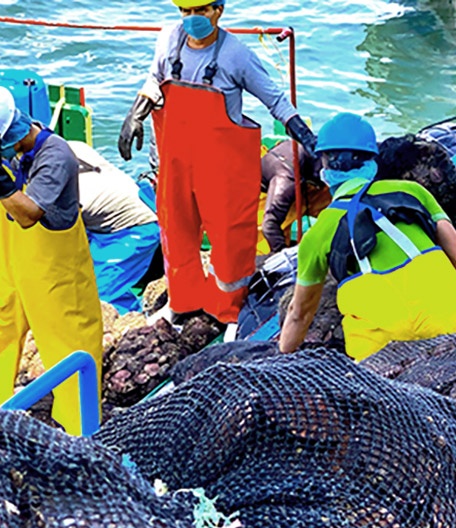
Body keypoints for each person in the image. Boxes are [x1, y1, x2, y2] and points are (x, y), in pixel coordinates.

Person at [118, 0, 318, 324]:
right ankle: (183, 303)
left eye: (201, 11)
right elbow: (154, 80)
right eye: (186, 12)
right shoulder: (168, 39)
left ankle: (227, 312)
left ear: (218, 10)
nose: (192, 19)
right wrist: (135, 115)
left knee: (230, 240)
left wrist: (307, 137)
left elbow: (275, 99)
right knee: (175, 230)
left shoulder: (235, 55)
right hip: (176, 162)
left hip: (222, 170)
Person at [0, 86, 103, 436]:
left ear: (8, 135)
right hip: (7, 252)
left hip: (53, 262)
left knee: (69, 339)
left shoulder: (56, 156)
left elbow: (28, 214)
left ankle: (80, 429)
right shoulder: (8, 142)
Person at [279, 112, 456, 361]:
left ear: (325, 165)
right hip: (451, 328)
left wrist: (282, 355)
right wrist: (453, 305)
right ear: (372, 160)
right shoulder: (413, 191)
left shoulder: (317, 235)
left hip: (380, 351)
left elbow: (300, 313)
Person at [68, 140, 163, 313]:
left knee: (101, 295)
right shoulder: (73, 146)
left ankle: (129, 319)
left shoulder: (64, 195)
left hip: (135, 228)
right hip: (142, 200)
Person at [260, 139, 330, 253]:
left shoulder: (319, 146)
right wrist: (285, 258)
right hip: (266, 196)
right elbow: (269, 225)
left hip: (305, 183)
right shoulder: (285, 180)